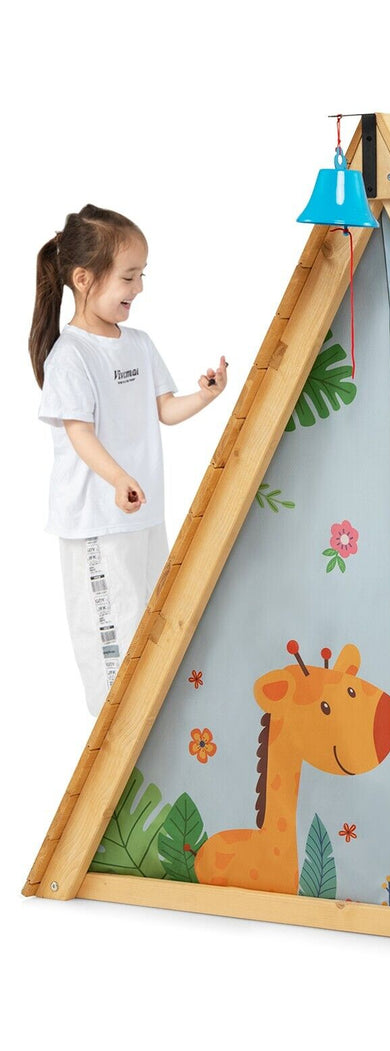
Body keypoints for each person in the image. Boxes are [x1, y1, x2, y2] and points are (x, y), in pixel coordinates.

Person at [30, 204, 228, 714]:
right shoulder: (70, 356)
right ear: (83, 279)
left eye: (142, 276)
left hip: (143, 517)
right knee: (111, 642)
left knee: (150, 624)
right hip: (98, 522)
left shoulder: (138, 344)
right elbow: (81, 433)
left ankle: (147, 734)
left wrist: (204, 396)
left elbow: (164, 408)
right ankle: (114, 748)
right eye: (128, 277)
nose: (138, 288)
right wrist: (118, 479)